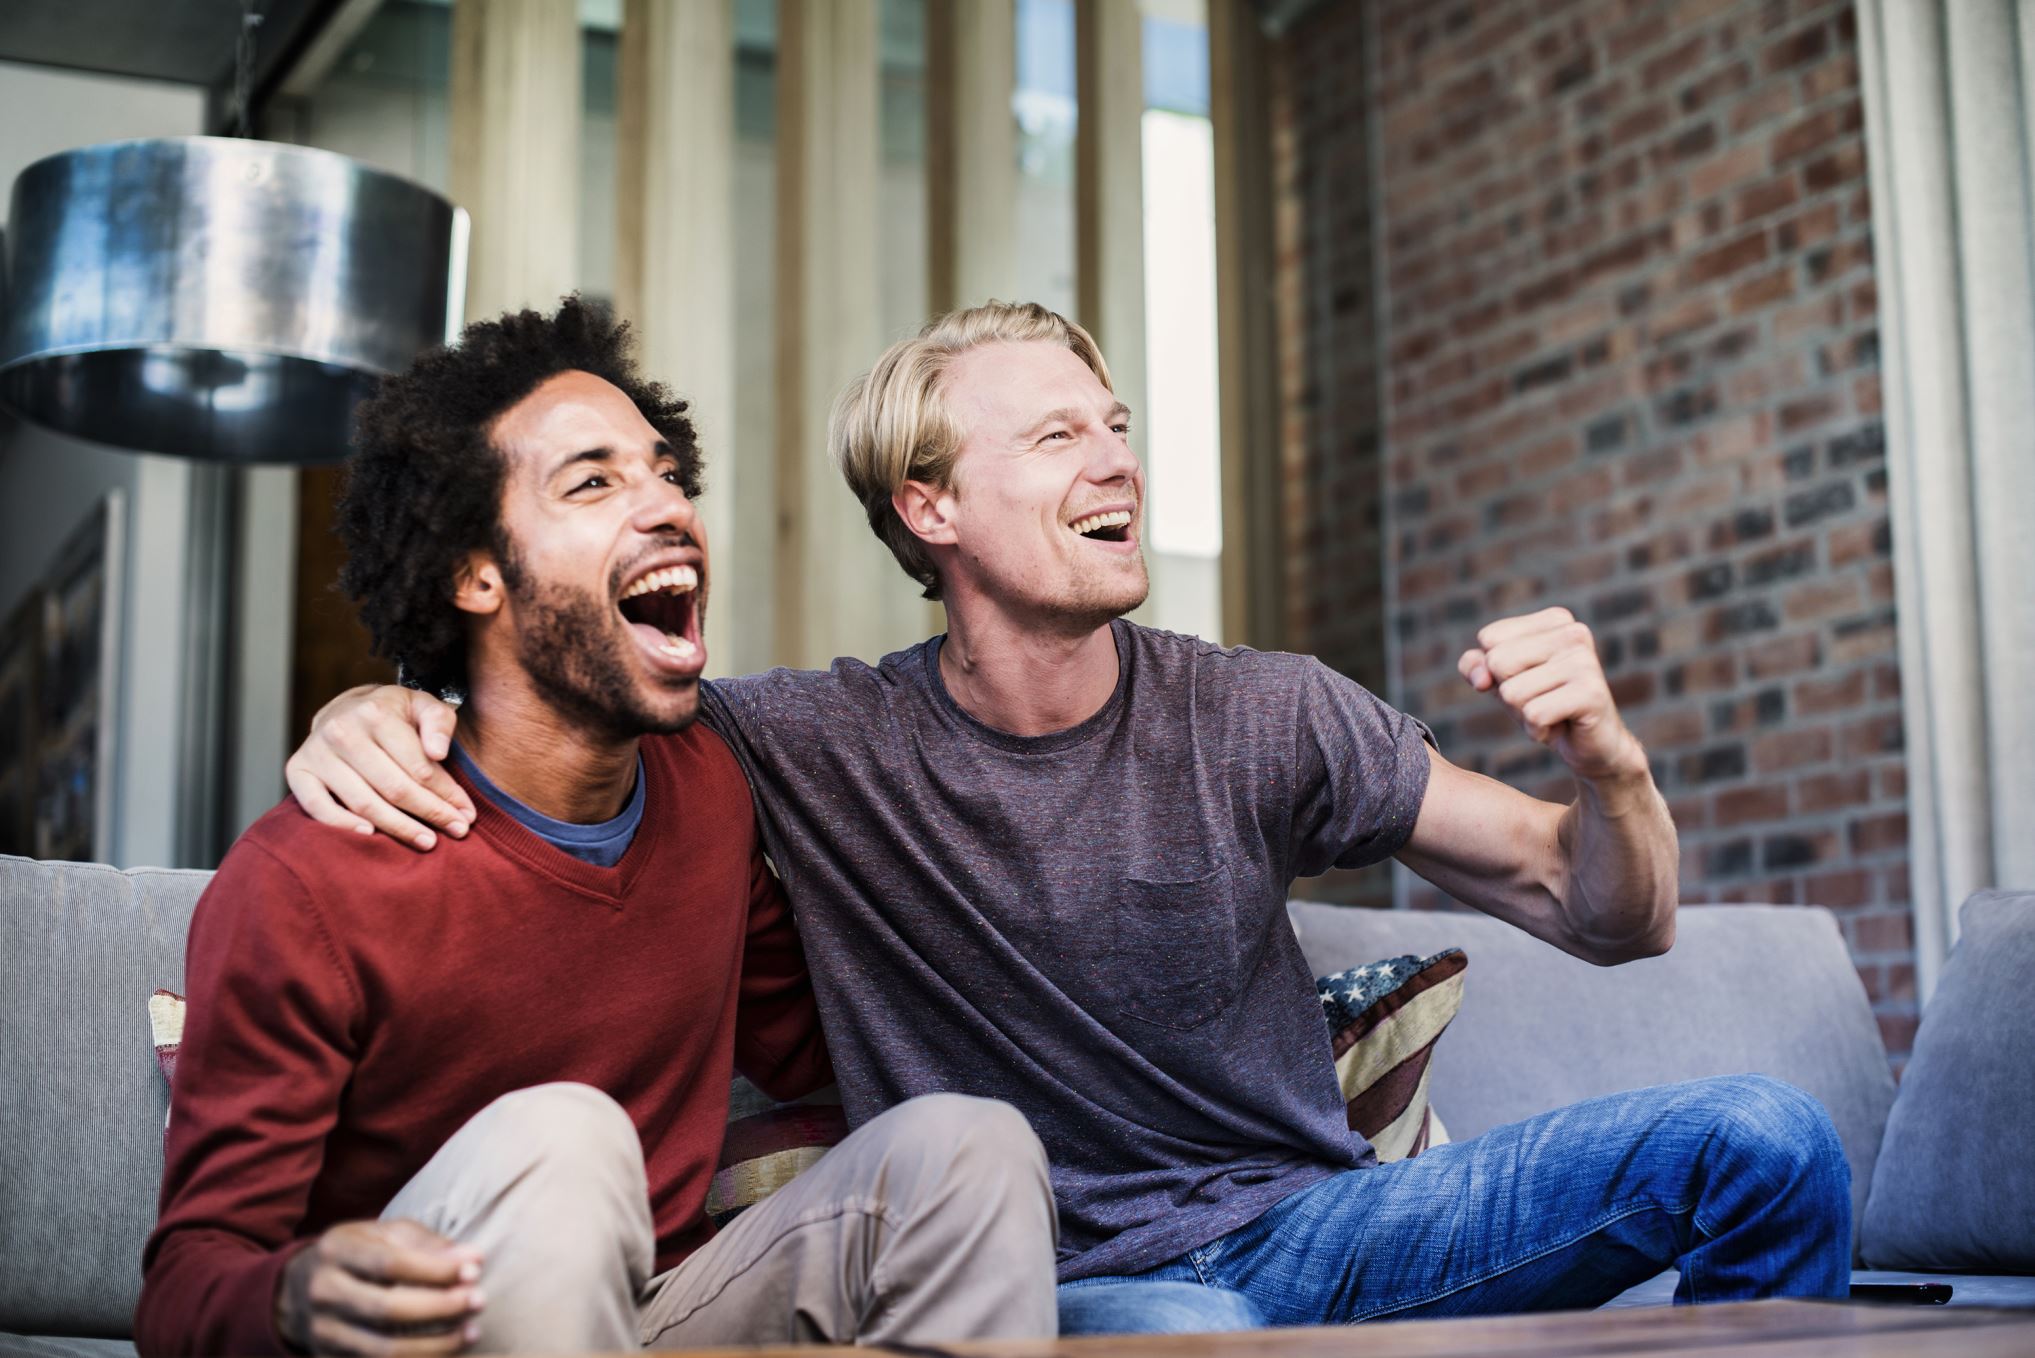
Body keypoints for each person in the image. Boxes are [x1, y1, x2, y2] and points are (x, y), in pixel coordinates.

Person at [286, 301, 1852, 1335]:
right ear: (929, 508)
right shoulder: (795, 745)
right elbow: (567, 712)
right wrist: (378, 704)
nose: (1115, 457)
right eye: (1054, 437)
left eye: (1113, 425)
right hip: (1078, 1282)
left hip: (1328, 1229)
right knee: (1197, 1334)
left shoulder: (1264, 709)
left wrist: (1608, 764)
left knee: (1763, 1144)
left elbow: (1609, 911)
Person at [137, 300, 1058, 1358]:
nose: (668, 506)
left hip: (650, 1312)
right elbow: (182, 1288)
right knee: (562, 1137)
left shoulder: (708, 787)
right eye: (593, 481)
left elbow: (825, 1032)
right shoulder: (310, 881)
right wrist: (295, 1294)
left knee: (969, 1148)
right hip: (421, 1328)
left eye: (668, 474)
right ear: (473, 572)